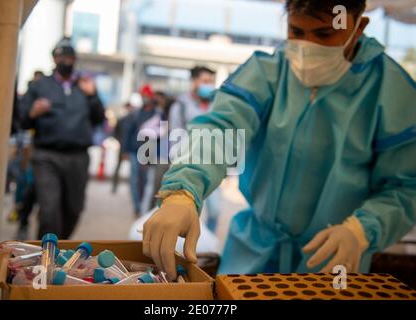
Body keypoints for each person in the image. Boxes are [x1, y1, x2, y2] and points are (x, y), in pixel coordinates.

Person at [142, 0, 416, 280]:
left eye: (324, 34)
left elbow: (406, 185)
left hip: (333, 257)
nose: (307, 46)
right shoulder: (267, 72)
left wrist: (361, 231)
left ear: (359, 27)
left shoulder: (391, 92)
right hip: (254, 252)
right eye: (296, 32)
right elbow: (220, 128)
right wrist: (183, 191)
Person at [20, 37, 105, 239]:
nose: (66, 61)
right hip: (47, 156)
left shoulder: (85, 86)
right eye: (61, 57)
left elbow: (99, 118)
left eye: (69, 57)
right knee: (49, 211)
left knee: (73, 210)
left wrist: (92, 96)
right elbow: (21, 121)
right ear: (54, 59)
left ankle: (60, 249)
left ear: (75, 60)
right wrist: (33, 113)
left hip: (78, 157)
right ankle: (46, 254)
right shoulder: (40, 87)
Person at [168, 66, 222, 233]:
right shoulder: (181, 105)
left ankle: (207, 243)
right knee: (189, 211)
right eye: (205, 81)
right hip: (188, 167)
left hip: (212, 165)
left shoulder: (218, 104)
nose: (209, 85)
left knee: (215, 210)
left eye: (212, 82)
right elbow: (174, 136)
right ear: (194, 82)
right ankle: (188, 249)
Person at [125, 85, 157, 217]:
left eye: (146, 96)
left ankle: (145, 207)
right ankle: (137, 207)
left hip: (147, 153)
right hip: (134, 151)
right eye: (143, 96)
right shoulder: (136, 113)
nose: (145, 99)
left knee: (145, 181)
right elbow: (129, 132)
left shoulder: (156, 114)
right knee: (133, 180)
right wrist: (125, 150)